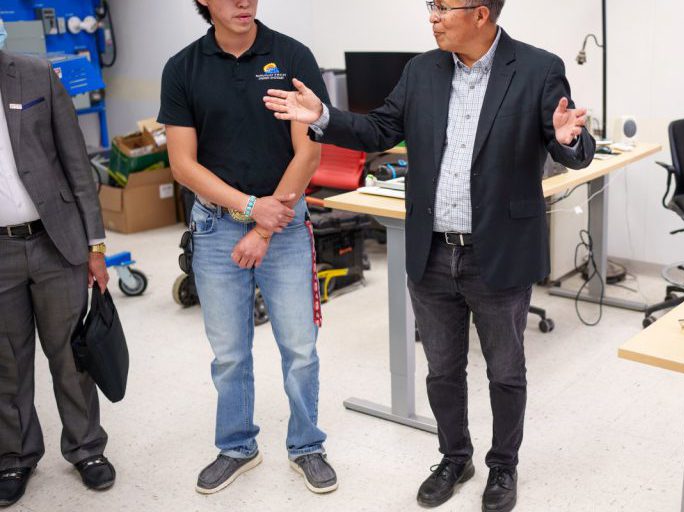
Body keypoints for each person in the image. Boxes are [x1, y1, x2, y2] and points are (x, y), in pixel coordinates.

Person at [264, 1, 595, 510]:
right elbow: (378, 130)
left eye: (444, 7)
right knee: (442, 370)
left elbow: (566, 137)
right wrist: (323, 117)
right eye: (431, 7)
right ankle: (453, 455)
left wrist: (572, 140)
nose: (433, 17)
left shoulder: (537, 67)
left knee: (505, 370)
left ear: (481, 13)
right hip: (433, 249)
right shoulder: (422, 70)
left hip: (498, 251)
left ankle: (502, 468)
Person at [159, 0, 337, 495]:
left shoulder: (292, 56)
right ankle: (237, 446)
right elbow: (182, 165)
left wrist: (263, 226)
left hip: (282, 225)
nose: (244, 1)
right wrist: (247, 210)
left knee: (300, 348)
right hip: (216, 230)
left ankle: (307, 446)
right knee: (230, 353)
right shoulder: (182, 69)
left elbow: (310, 149)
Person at [0, 18, 116, 508]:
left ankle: (86, 447)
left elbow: (76, 162)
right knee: (6, 361)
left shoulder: (35, 74)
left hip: (55, 240)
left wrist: (95, 245)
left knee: (70, 353)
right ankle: (14, 455)